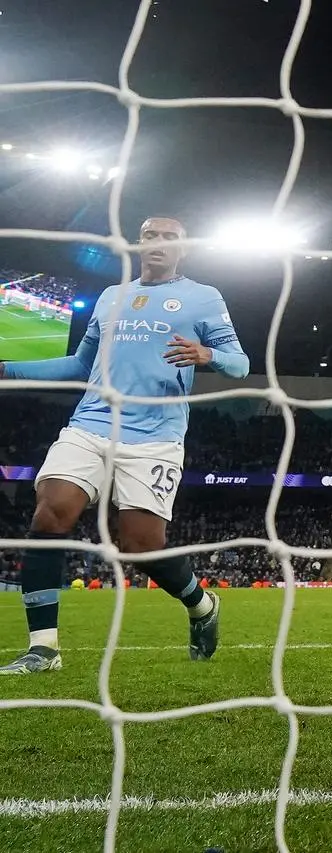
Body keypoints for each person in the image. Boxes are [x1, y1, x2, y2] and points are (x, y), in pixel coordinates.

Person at [0, 217, 249, 675]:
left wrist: (208, 354)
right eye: (151, 235)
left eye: (169, 237)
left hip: (156, 437)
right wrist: (9, 371)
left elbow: (241, 364)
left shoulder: (203, 297)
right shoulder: (111, 297)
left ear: (184, 247)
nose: (158, 243)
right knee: (50, 512)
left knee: (139, 545)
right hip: (91, 423)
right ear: (138, 243)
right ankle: (44, 649)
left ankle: (201, 605)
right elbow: (79, 364)